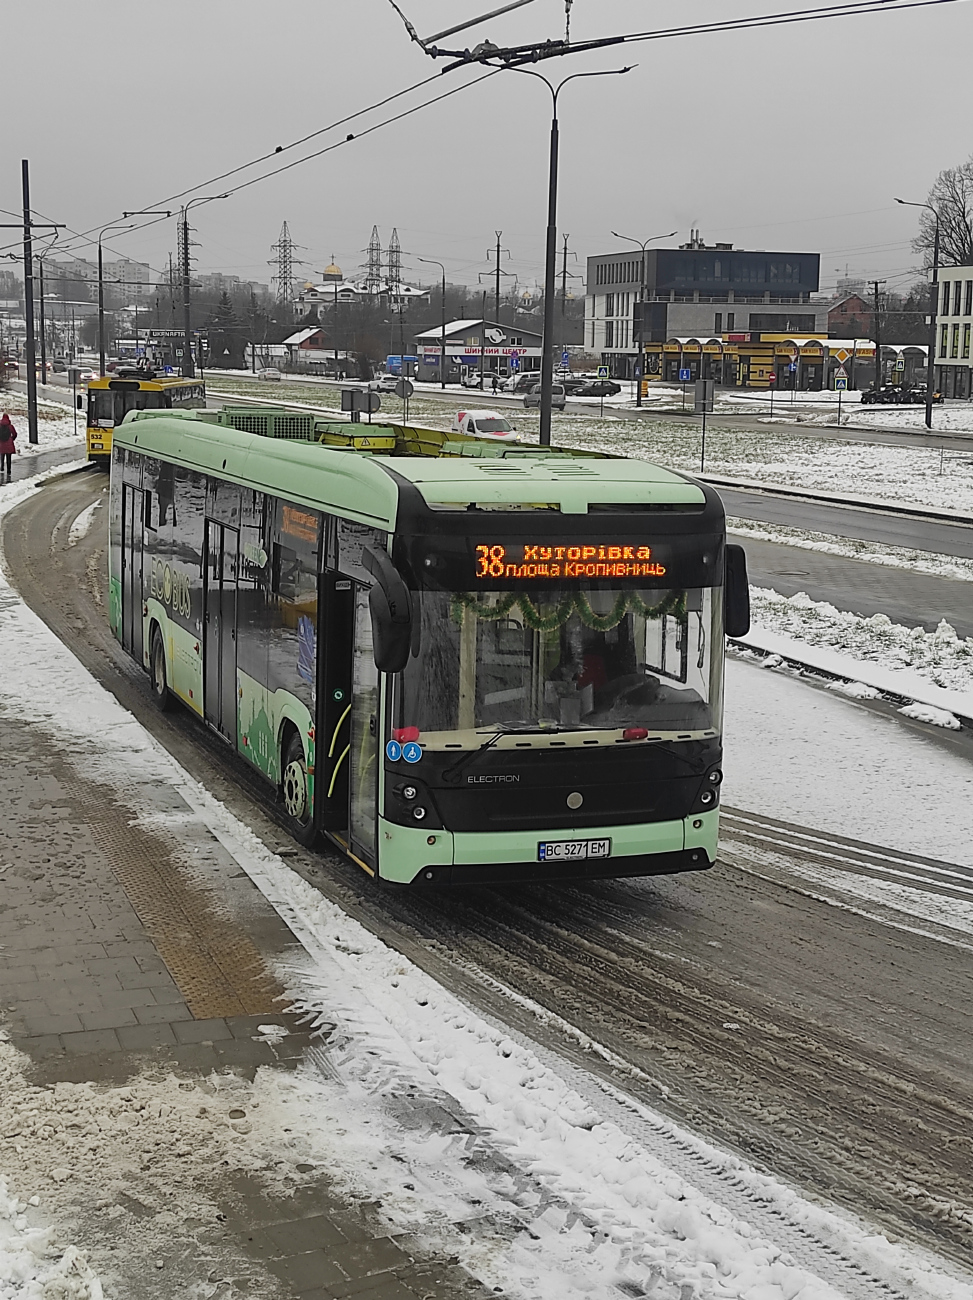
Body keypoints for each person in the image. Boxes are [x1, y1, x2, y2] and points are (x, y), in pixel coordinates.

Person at [0, 413, 17, 481]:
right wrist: (12, 439)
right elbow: (15, 434)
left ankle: (2, 468)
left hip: (1, 443)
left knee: (2, 455)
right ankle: (9, 470)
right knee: (8, 457)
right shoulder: (10, 426)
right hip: (9, 443)